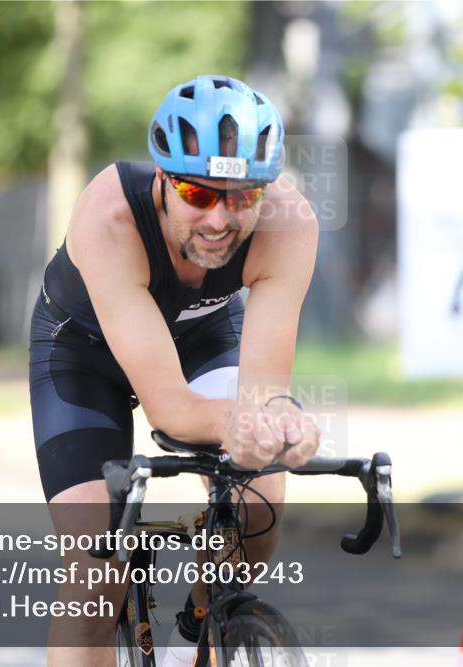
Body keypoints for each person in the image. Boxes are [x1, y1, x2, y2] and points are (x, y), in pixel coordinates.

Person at [28, 75, 321, 666]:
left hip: (201, 336)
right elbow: (173, 411)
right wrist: (247, 425)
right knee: (95, 572)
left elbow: (264, 395)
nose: (218, 220)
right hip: (83, 354)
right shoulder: (109, 216)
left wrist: (285, 423)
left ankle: (210, 618)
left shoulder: (289, 225)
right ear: (161, 179)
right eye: (197, 192)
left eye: (241, 197)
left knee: (259, 501)